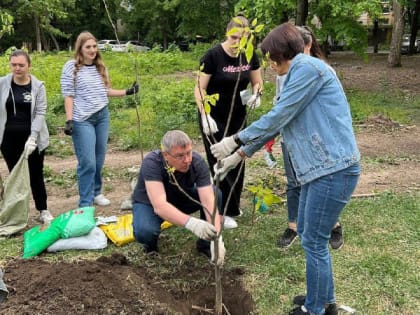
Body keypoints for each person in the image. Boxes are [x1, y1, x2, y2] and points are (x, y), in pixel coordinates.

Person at [210, 23, 360, 315]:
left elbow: (278, 115)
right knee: (307, 232)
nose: (267, 62)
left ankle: (314, 309)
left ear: (279, 52)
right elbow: (280, 122)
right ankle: (323, 300)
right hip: (322, 170)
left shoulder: (306, 68)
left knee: (314, 240)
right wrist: (238, 155)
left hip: (332, 169)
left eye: (269, 56)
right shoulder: (297, 73)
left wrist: (235, 139)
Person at [276, 26, 344, 250]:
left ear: (306, 45)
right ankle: (293, 226)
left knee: (321, 181)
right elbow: (281, 104)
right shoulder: (284, 70)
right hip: (290, 138)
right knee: (294, 182)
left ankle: (333, 225)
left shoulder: (323, 71)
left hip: (316, 139)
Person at [194, 14, 263, 229]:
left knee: (237, 160)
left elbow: (257, 81)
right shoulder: (212, 56)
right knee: (218, 162)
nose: (236, 43)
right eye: (233, 38)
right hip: (213, 117)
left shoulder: (250, 55)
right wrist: (205, 114)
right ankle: (218, 210)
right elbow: (199, 88)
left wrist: (257, 94)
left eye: (242, 39)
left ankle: (233, 207)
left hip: (237, 117)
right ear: (227, 34)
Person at [60, 31, 138, 208]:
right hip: (82, 119)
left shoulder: (100, 67)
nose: (92, 50)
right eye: (88, 47)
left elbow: (106, 92)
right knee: (87, 162)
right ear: (80, 48)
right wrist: (69, 120)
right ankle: (85, 201)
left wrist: (127, 92)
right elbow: (69, 95)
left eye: (94, 46)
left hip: (102, 116)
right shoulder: (71, 67)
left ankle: (96, 192)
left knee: (98, 159)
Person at [131, 130, 225, 264]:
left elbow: (208, 199)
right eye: (180, 156)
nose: (187, 160)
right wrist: (192, 223)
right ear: (166, 155)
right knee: (145, 231)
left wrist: (217, 238)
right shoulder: (152, 163)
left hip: (180, 198)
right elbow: (160, 206)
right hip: (150, 204)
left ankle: (206, 244)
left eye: (189, 152)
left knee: (216, 194)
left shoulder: (197, 162)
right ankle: (150, 246)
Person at [0, 50, 53, 224]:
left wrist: (33, 138)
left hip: (32, 140)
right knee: (16, 177)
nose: (17, 68)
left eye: (21, 65)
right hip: (8, 140)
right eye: (14, 65)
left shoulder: (38, 86)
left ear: (29, 66)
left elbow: (40, 113)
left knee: (35, 175)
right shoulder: (2, 84)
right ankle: (16, 214)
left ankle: (43, 210)